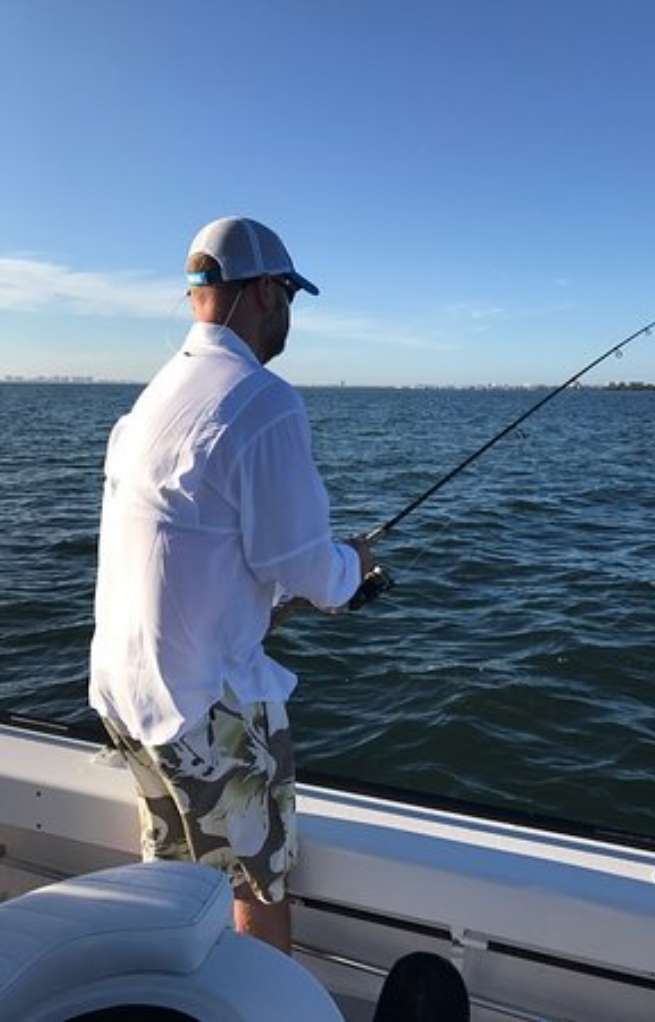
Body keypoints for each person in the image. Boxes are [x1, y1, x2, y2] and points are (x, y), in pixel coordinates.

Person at [89, 216, 375, 954]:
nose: (289, 314)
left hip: (127, 690)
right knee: (257, 887)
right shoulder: (263, 400)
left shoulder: (155, 398)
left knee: (176, 881)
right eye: (288, 294)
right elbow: (307, 566)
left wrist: (264, 605)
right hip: (201, 704)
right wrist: (355, 570)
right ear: (258, 293)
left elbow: (187, 550)